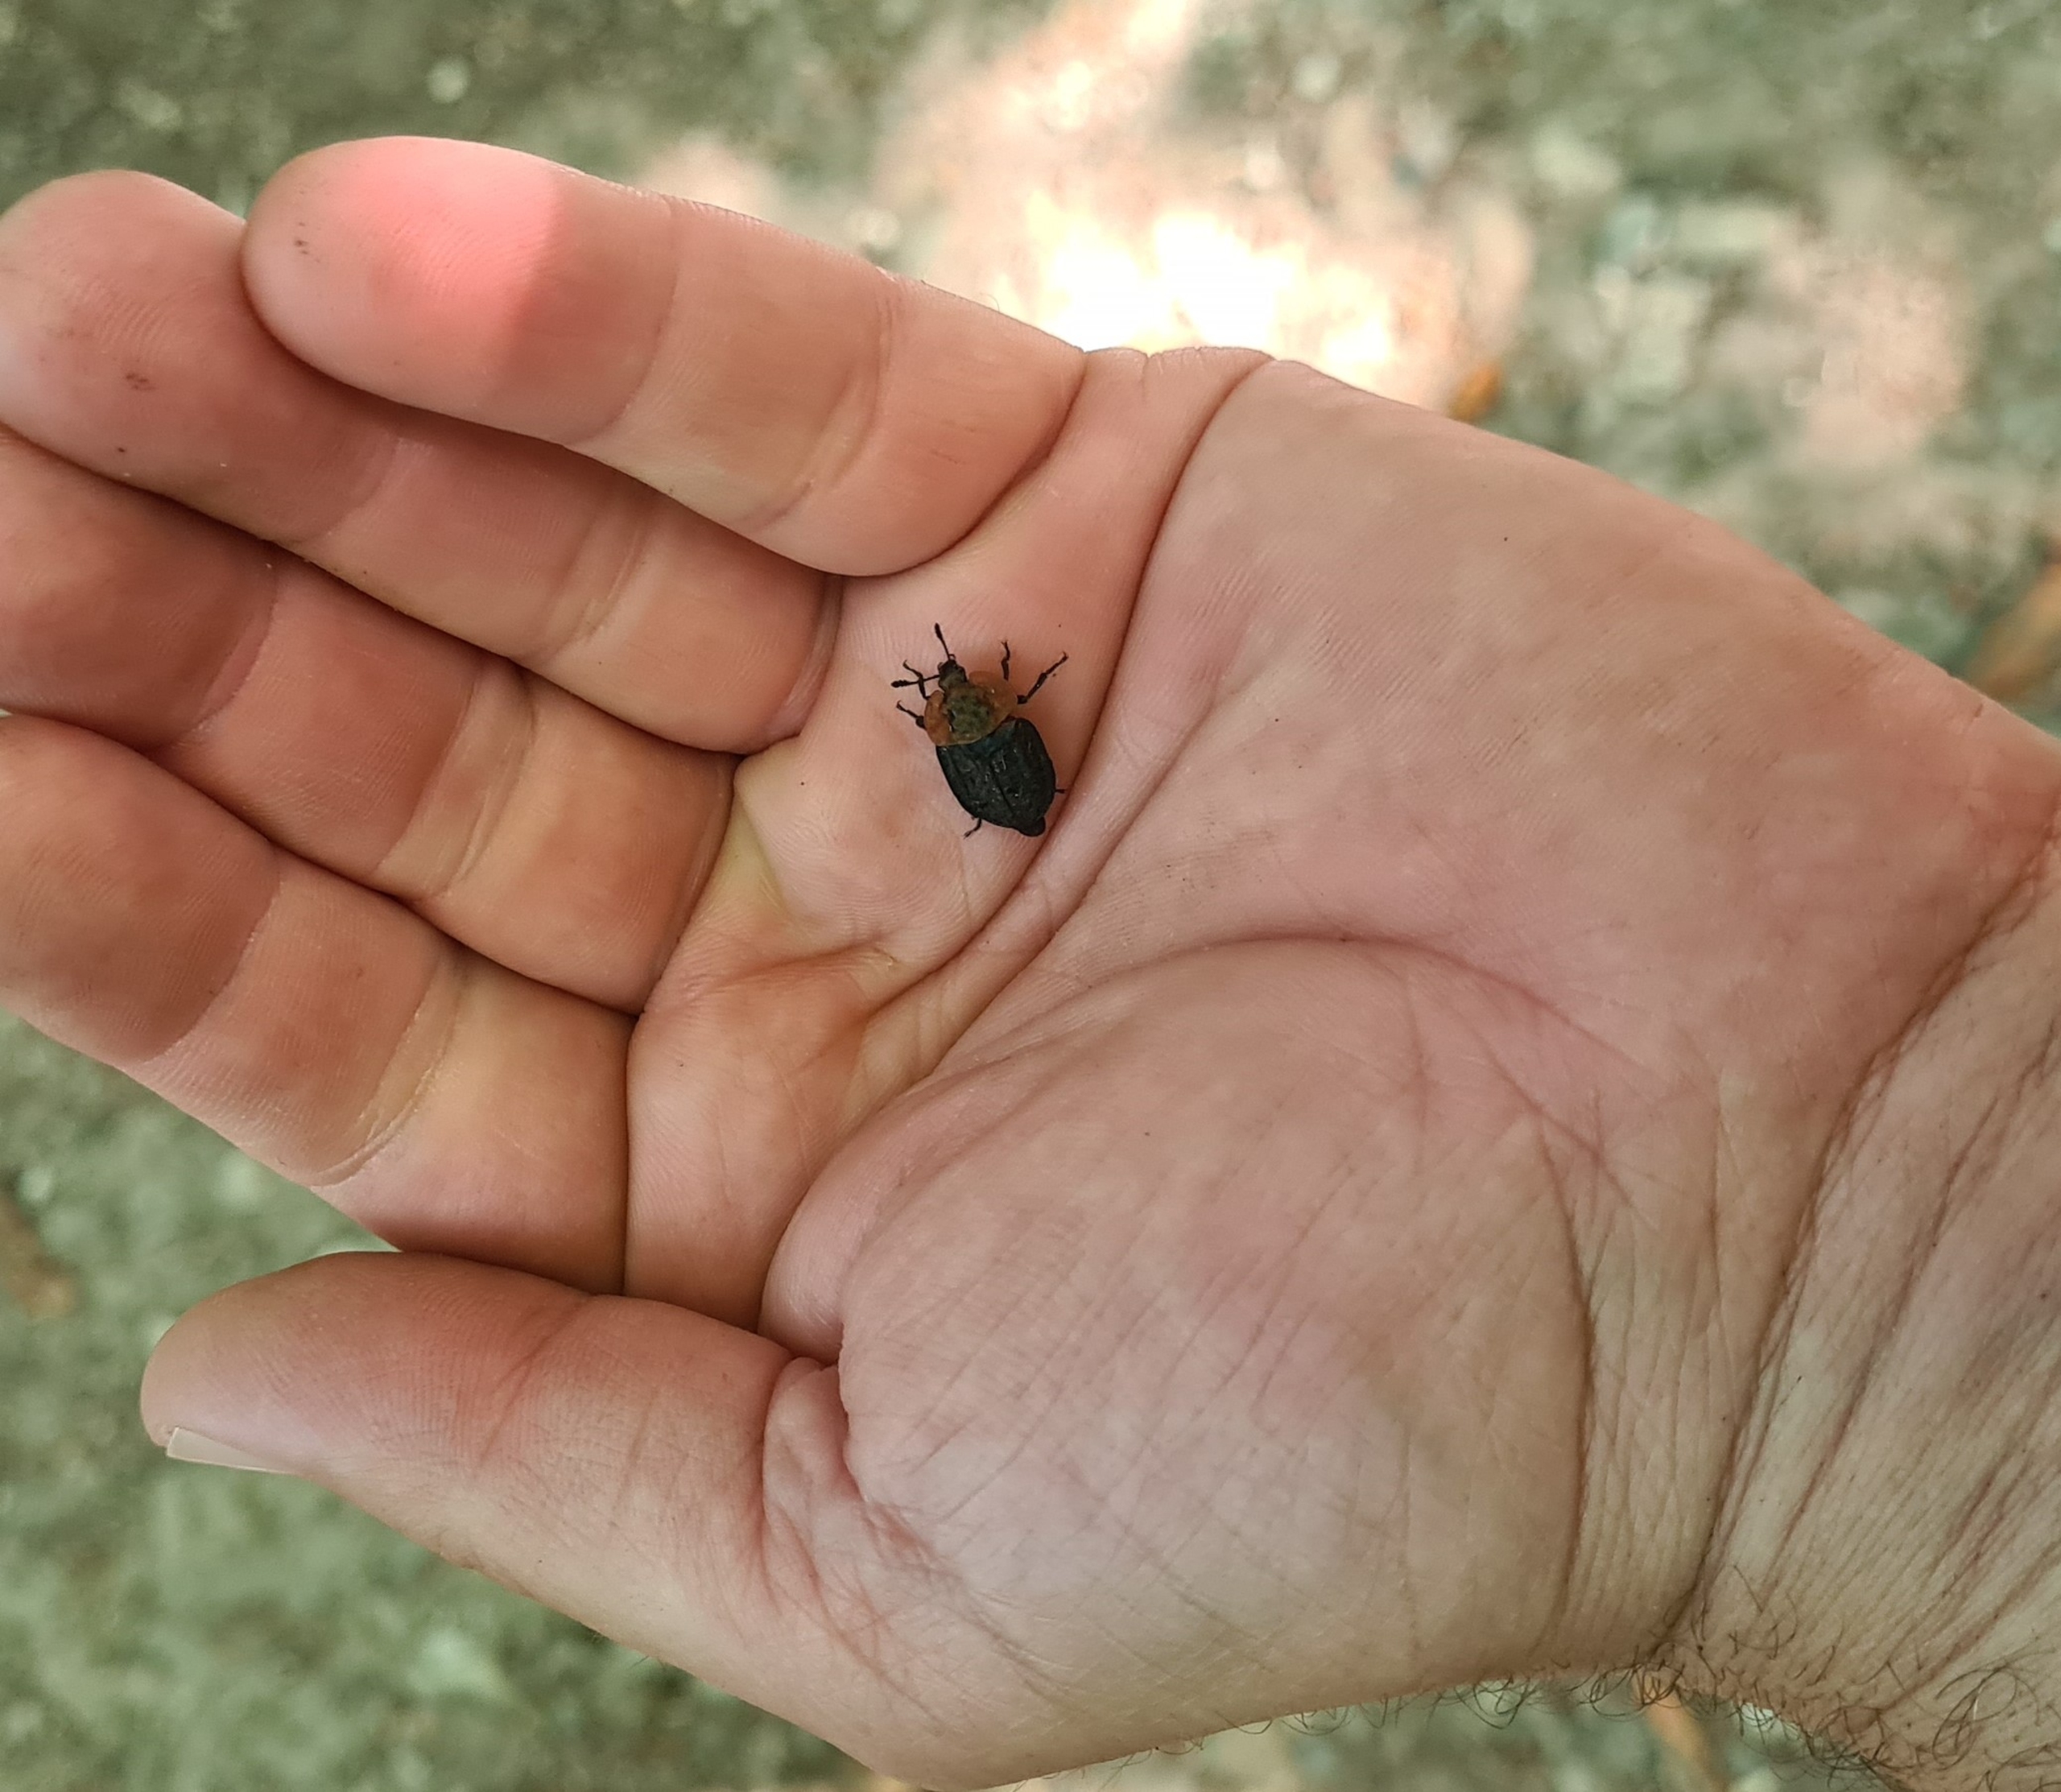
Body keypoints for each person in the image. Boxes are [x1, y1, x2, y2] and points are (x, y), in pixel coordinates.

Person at [0, 134, 2057, 1792]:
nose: (958, 696)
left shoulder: (975, 727)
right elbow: (980, 728)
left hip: (1010, 793)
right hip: (1011, 790)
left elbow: (983, 731)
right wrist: (1868, 1263)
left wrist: (1855, 1273)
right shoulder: (973, 724)